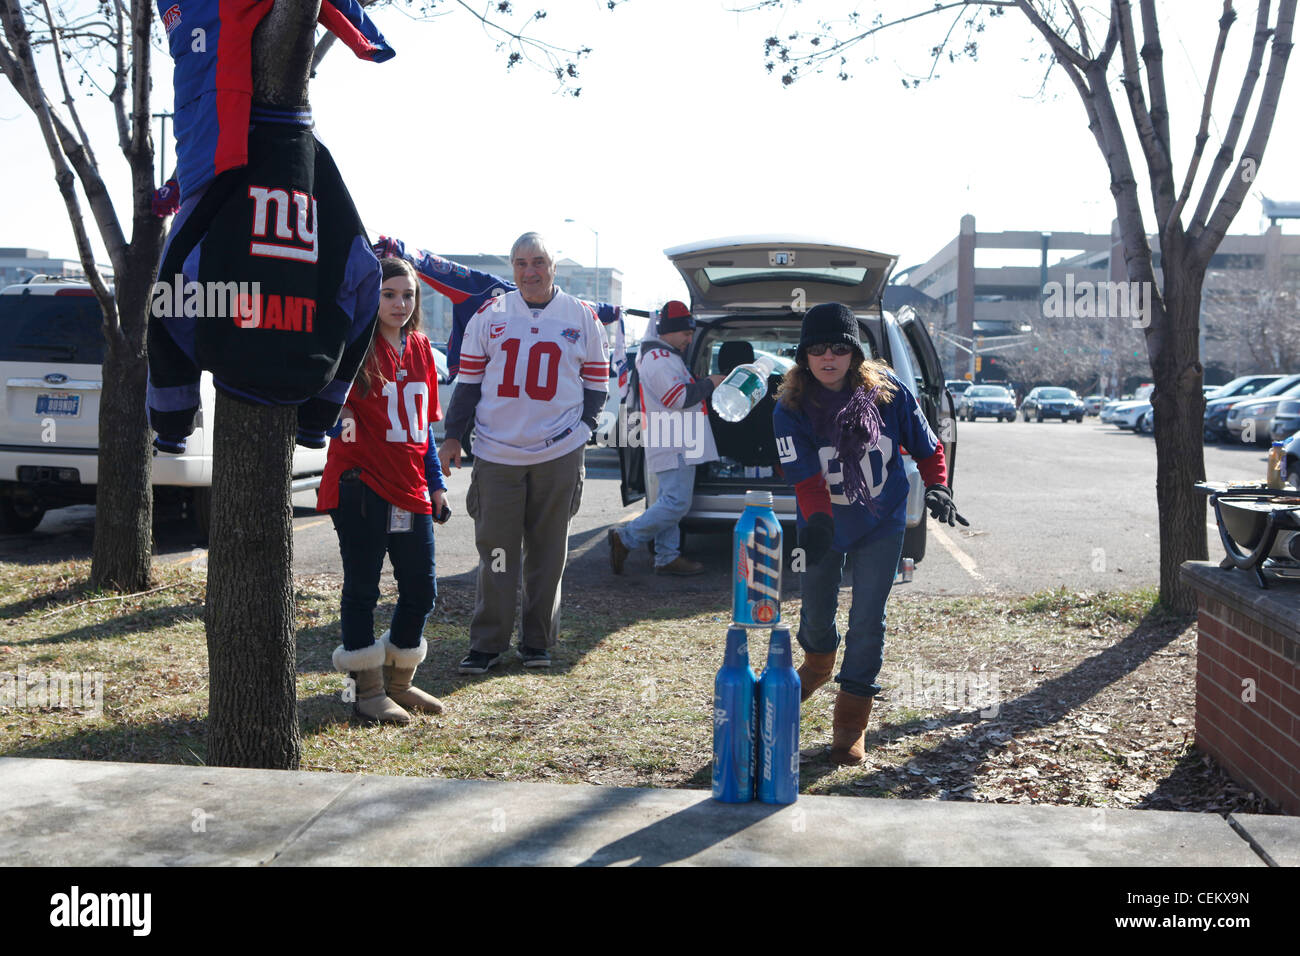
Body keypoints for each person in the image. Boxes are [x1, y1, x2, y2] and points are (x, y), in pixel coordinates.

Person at [773, 302, 968, 764]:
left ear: (854, 354)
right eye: (817, 348)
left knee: (867, 618)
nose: (828, 357)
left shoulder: (888, 392)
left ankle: (850, 723)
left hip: (881, 517)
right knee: (816, 613)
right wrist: (818, 523)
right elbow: (806, 480)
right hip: (822, 517)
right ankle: (818, 663)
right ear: (803, 356)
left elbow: (927, 444)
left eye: (839, 347)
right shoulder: (791, 406)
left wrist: (938, 484)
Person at [440, 232, 609, 674]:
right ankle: (487, 642)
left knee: (548, 550)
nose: (529, 271)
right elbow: (470, 383)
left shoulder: (581, 316)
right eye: (520, 263)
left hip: (559, 451)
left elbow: (597, 383)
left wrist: (584, 429)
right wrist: (453, 435)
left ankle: (537, 641)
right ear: (511, 268)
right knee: (496, 552)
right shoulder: (490, 313)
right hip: (497, 451)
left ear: (553, 266)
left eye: (538, 262)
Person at [320, 257, 449, 724]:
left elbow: (423, 430)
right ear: (371, 297)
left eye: (408, 295)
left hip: (411, 487)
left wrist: (435, 483)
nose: (399, 303)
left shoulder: (420, 348)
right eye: (389, 294)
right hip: (362, 485)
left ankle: (399, 683)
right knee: (362, 590)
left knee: (421, 588)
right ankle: (366, 690)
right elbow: (320, 407)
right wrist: (341, 423)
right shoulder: (354, 346)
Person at [607, 301, 723, 576]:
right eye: (685, 333)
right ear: (668, 331)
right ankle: (626, 538)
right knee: (676, 503)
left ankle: (666, 556)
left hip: (677, 437)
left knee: (668, 500)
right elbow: (678, 398)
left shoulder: (664, 356)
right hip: (673, 439)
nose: (689, 339)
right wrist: (711, 383)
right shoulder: (658, 360)